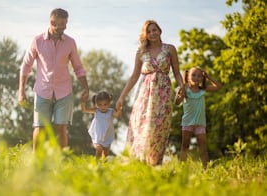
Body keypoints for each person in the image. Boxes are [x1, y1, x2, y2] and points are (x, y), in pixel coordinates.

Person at [18, 8, 89, 152]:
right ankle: (36, 164)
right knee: (40, 127)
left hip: (64, 92)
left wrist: (85, 88)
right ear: (52, 22)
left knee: (61, 127)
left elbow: (78, 67)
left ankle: (62, 161)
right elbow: (25, 66)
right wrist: (21, 91)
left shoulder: (70, 42)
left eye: (66, 24)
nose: (64, 27)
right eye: (61, 24)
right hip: (42, 91)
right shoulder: (37, 41)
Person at [115, 20, 185, 166]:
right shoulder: (141, 52)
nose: (152, 33)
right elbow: (134, 76)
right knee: (141, 126)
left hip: (163, 93)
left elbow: (177, 72)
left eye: (155, 30)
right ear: (145, 35)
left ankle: (155, 164)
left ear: (160, 31)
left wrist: (181, 87)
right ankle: (139, 164)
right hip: (144, 94)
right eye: (149, 31)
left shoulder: (170, 49)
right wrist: (122, 97)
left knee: (159, 128)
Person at [175, 67, 222, 168]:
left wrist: (208, 77)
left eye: (199, 76)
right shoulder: (185, 90)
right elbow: (177, 102)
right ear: (188, 77)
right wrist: (179, 95)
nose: (196, 77)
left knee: (203, 148)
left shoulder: (203, 90)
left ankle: (206, 170)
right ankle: (181, 169)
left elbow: (218, 86)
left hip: (200, 124)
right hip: (187, 123)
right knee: (185, 147)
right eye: (194, 75)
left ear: (202, 78)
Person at [81, 91, 122, 159]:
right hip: (98, 135)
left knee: (105, 154)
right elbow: (84, 110)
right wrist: (83, 102)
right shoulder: (96, 111)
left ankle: (104, 167)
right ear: (96, 104)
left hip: (107, 136)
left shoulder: (111, 111)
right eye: (100, 104)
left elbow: (117, 115)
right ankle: (97, 165)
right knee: (99, 149)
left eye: (105, 104)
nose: (102, 107)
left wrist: (119, 109)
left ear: (109, 103)